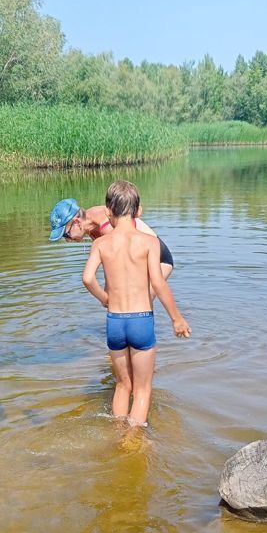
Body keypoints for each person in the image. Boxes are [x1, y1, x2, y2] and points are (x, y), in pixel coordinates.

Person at [81, 181, 191, 427]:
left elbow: (87, 278)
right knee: (142, 390)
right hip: (141, 321)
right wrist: (177, 318)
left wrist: (105, 298)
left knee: (123, 385)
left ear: (108, 212)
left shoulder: (100, 243)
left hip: (115, 323)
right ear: (139, 211)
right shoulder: (149, 242)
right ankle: (133, 440)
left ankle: (118, 432)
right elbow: (159, 284)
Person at [48, 197, 174, 281]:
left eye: (66, 234)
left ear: (76, 222)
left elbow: (120, 260)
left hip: (160, 260)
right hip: (141, 259)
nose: (68, 240)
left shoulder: (105, 223)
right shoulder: (91, 226)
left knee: (140, 304)